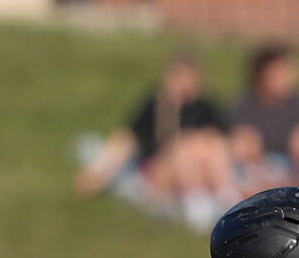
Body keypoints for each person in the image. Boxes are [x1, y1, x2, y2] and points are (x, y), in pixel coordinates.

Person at [75, 54, 237, 230]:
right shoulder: (156, 106)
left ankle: (225, 198)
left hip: (201, 168)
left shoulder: (205, 107)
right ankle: (198, 204)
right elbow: (126, 139)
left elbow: (225, 141)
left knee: (211, 145)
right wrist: (99, 173)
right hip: (161, 169)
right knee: (186, 145)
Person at [230, 46, 299, 190]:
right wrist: (267, 174)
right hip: (258, 168)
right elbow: (244, 147)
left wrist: (295, 173)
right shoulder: (246, 105)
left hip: (294, 168)